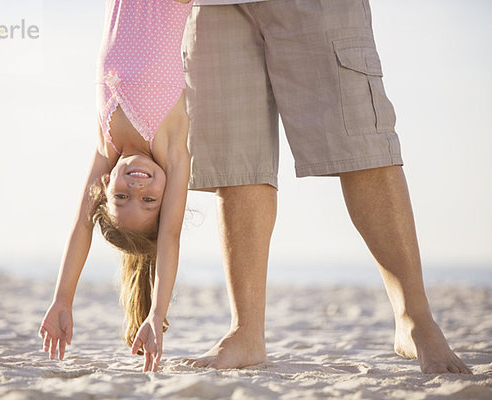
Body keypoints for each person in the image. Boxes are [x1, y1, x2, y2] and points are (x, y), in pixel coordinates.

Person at [182, 0, 471, 374]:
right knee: (235, 164)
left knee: (362, 143)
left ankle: (415, 319)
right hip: (207, 7)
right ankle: (245, 331)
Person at [39, 0, 193, 373]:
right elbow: (169, 238)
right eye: (149, 201)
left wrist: (63, 298)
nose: (136, 186)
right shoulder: (172, 150)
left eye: (122, 197)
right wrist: (157, 313)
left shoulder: (105, 148)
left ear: (105, 187)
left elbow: (81, 226)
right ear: (166, 195)